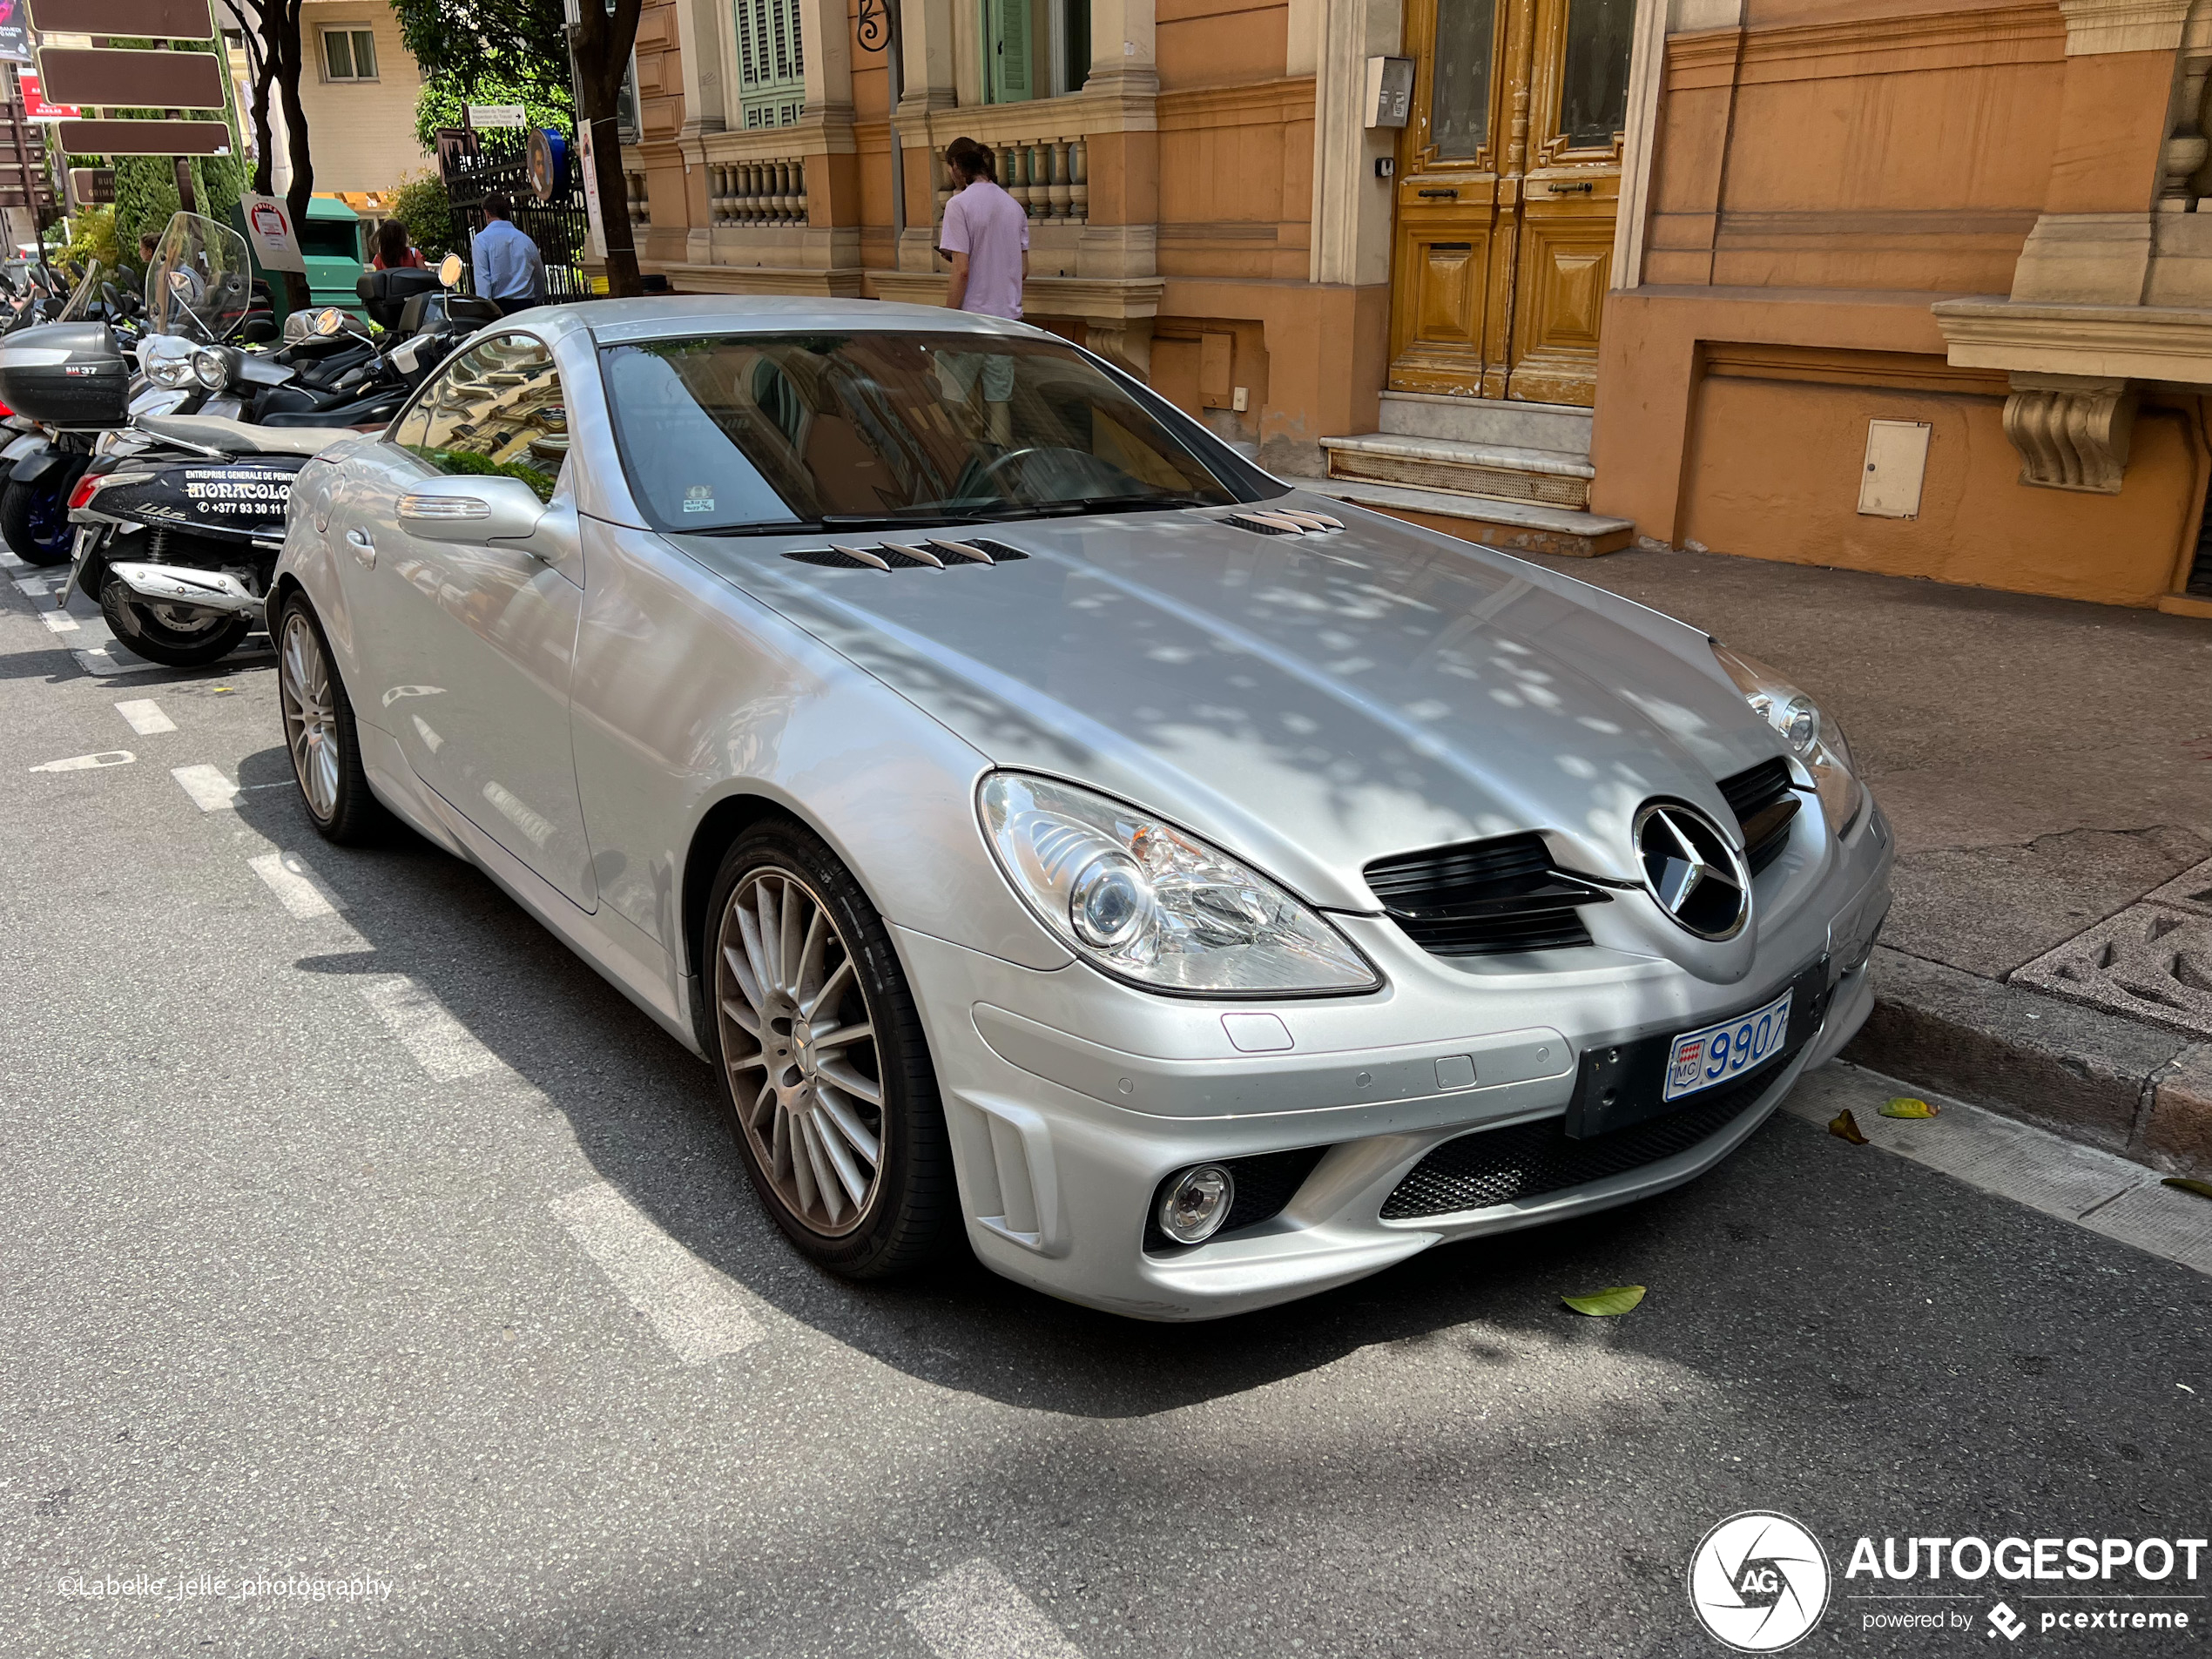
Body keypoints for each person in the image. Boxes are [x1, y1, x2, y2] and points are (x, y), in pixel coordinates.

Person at [935, 137, 1029, 444]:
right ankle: (1001, 465)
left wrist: (947, 322)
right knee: (999, 402)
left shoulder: (958, 205)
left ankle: (970, 457)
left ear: (956, 167)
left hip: (971, 323)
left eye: (950, 167)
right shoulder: (1013, 207)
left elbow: (961, 271)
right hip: (1006, 323)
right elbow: (1023, 269)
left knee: (951, 399)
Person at [471, 192, 545, 317]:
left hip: (499, 308)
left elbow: (483, 281)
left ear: (487, 213)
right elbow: (539, 275)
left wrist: (486, 311)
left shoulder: (482, 240)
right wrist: (536, 298)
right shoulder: (525, 240)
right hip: (526, 306)